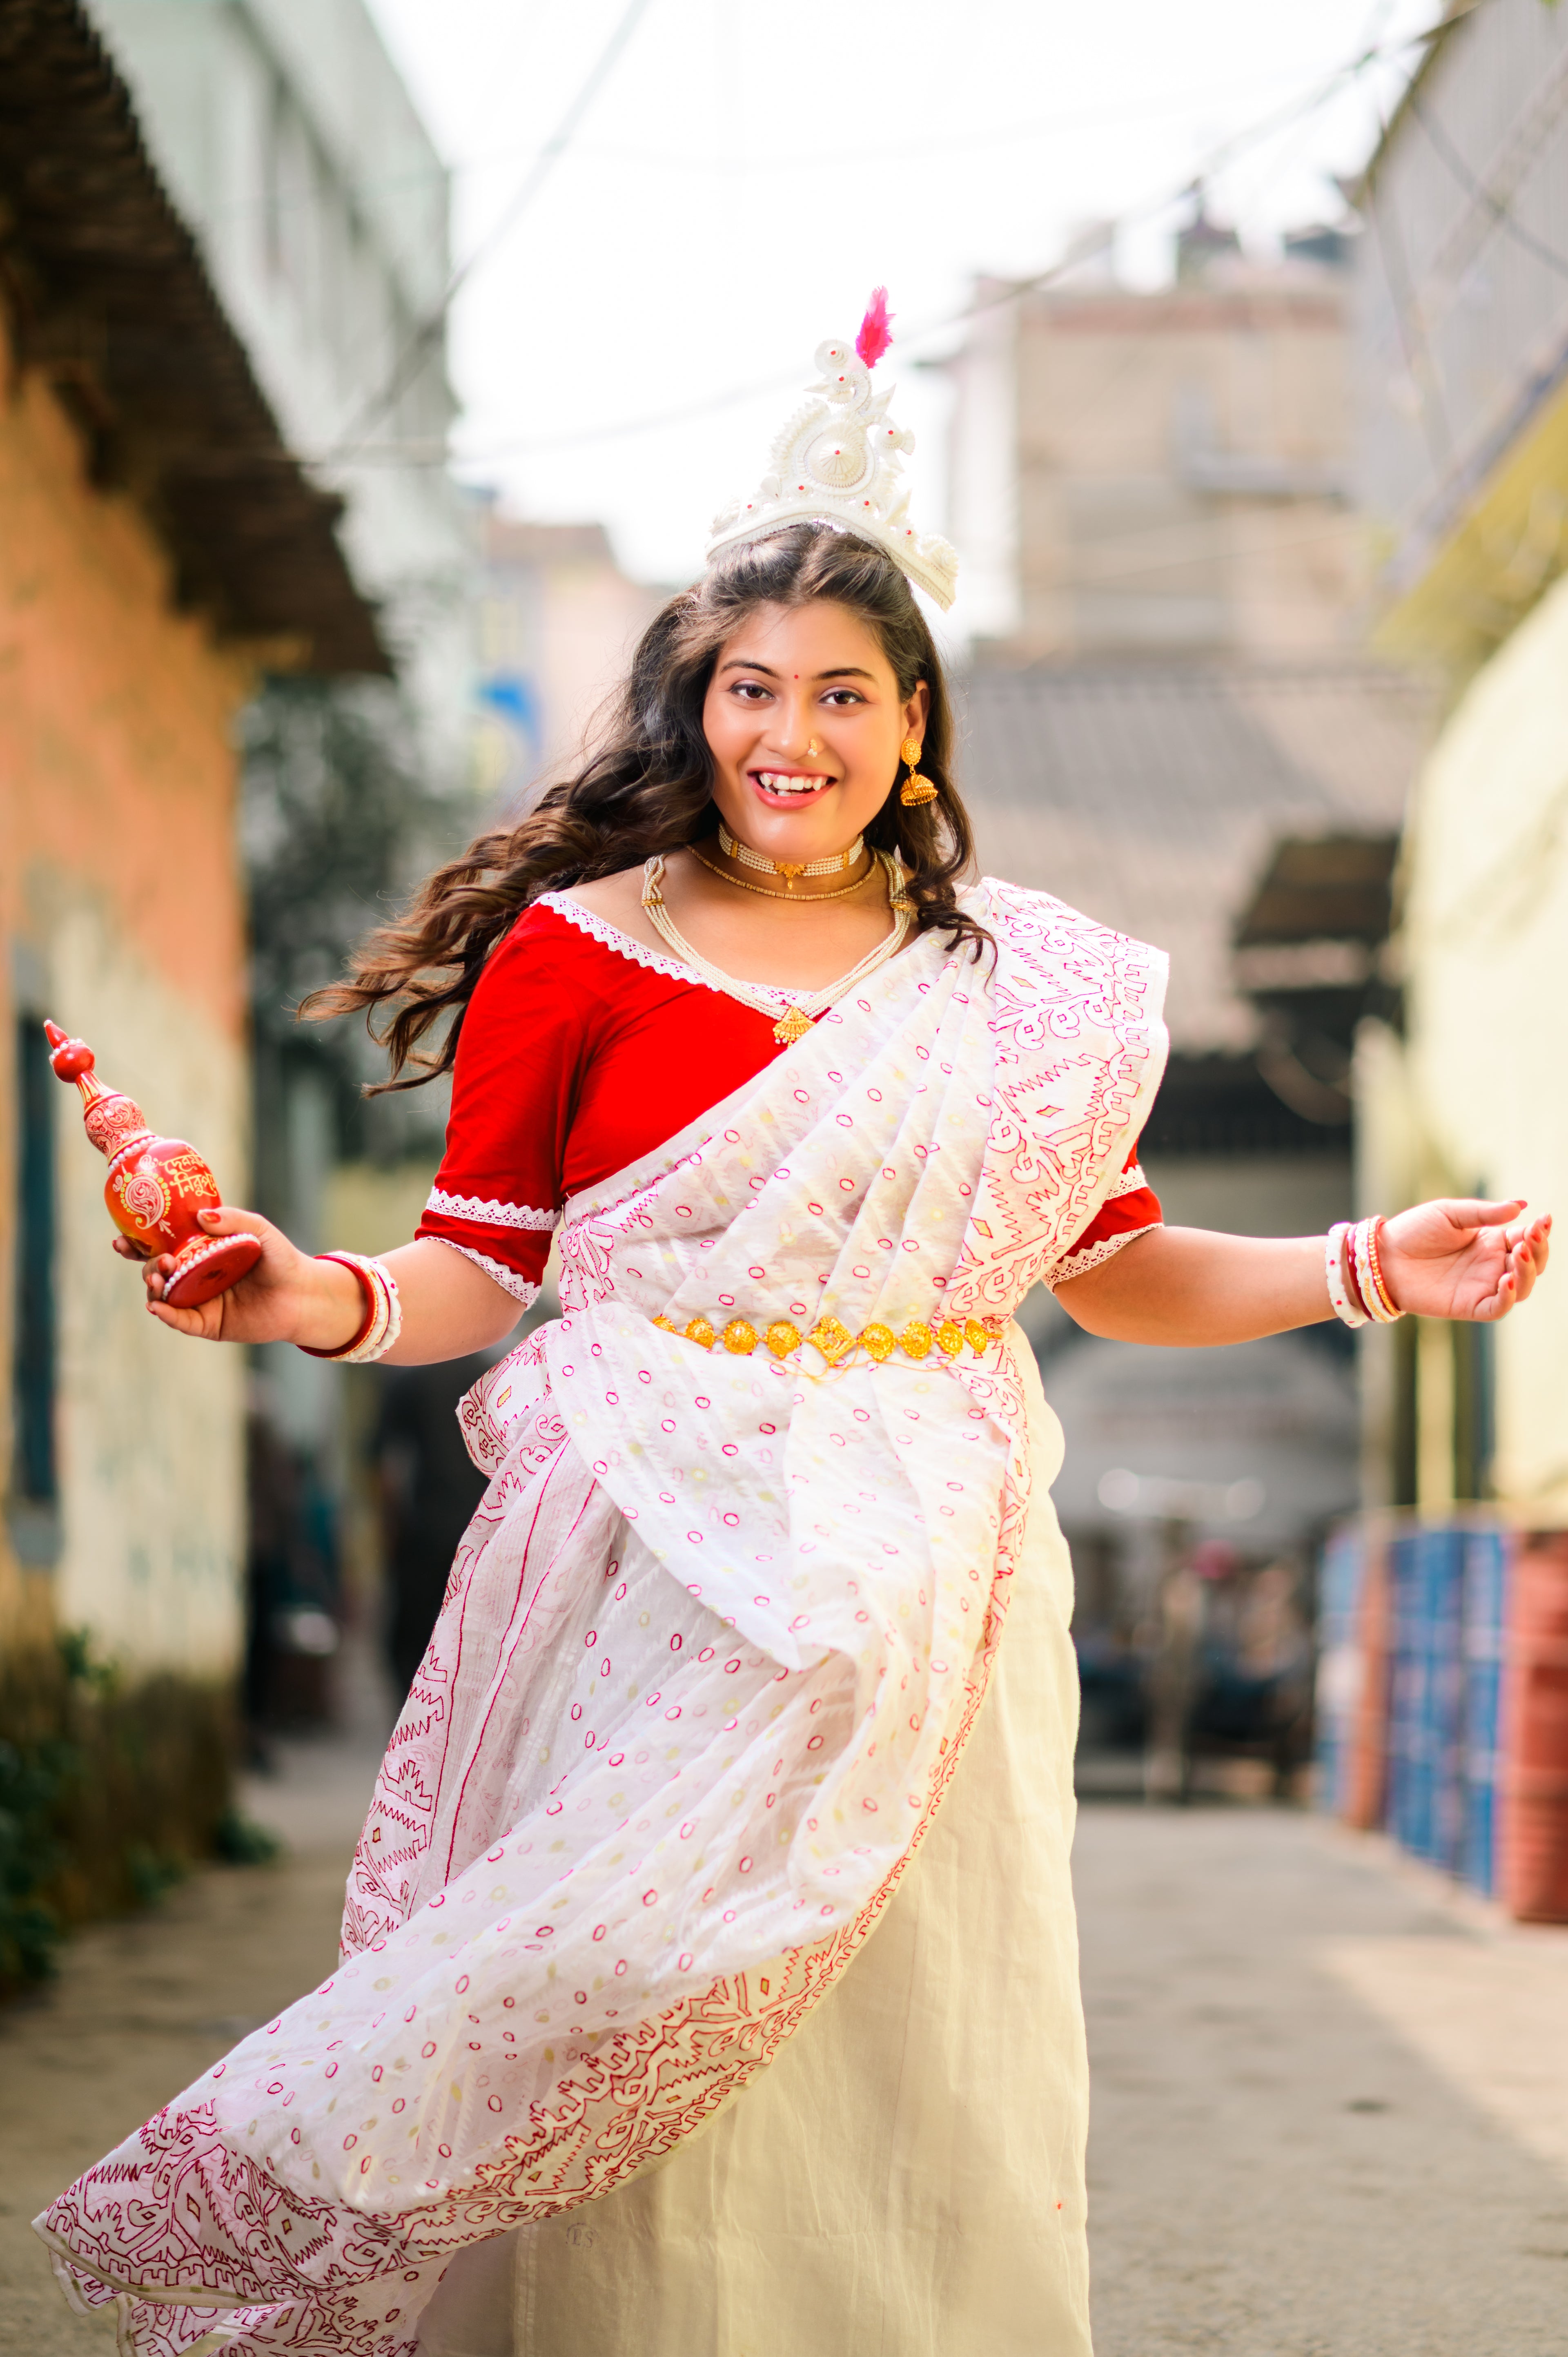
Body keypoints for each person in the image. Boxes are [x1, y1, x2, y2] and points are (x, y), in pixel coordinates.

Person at [35, 301, 1549, 2357]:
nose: (796, 733)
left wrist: (1371, 1261)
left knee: (910, 2039)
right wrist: (305, 1291)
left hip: (929, 1580)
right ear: (694, 705)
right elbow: (480, 1270)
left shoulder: (1020, 991)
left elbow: (1099, 1263)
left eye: (847, 693)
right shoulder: (575, 959)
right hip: (649, 1561)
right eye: (754, 687)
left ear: (913, 724)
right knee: (616, 2004)